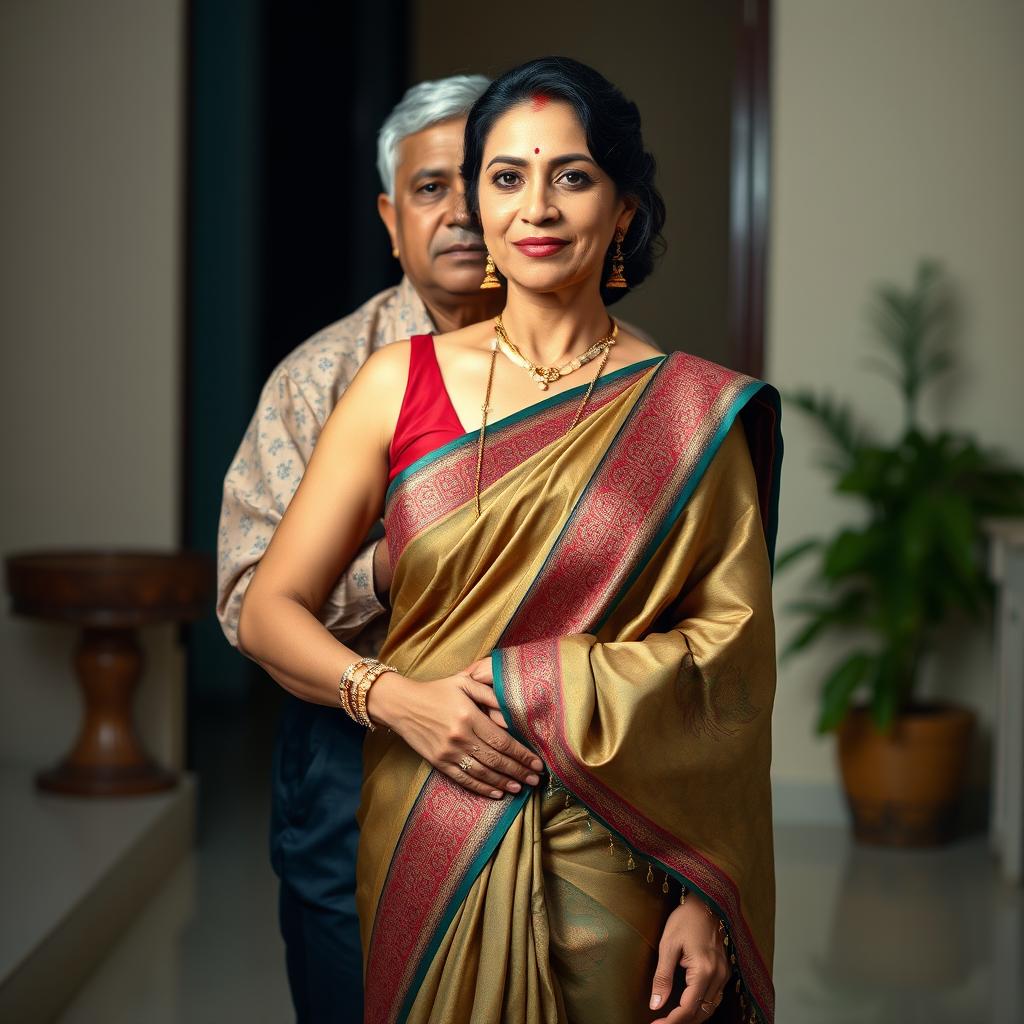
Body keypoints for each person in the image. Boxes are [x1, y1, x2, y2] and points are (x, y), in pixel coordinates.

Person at [236, 56, 782, 1024]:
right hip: (423, 812)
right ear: (481, 206)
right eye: (504, 175)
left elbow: (724, 676)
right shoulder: (391, 384)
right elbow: (269, 609)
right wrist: (396, 698)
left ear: (623, 208)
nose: (536, 205)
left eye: (571, 176)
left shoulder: (690, 412)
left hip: (617, 842)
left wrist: (702, 885)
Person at [216, 74, 502, 1022]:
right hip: (351, 756)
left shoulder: (592, 373)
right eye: (430, 189)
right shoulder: (325, 377)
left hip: (537, 758)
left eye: (484, 179)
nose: (461, 212)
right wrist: (392, 564)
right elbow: (248, 595)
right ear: (390, 218)